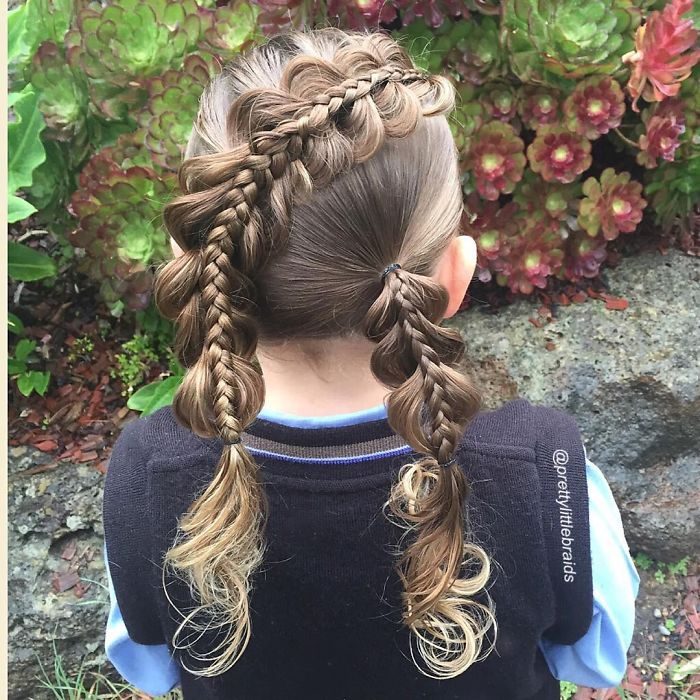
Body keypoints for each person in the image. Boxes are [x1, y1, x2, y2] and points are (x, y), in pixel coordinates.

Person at [102, 27, 640, 700]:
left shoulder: (145, 477)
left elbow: (149, 668)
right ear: (452, 274)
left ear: (212, 272)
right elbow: (593, 659)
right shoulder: (549, 476)